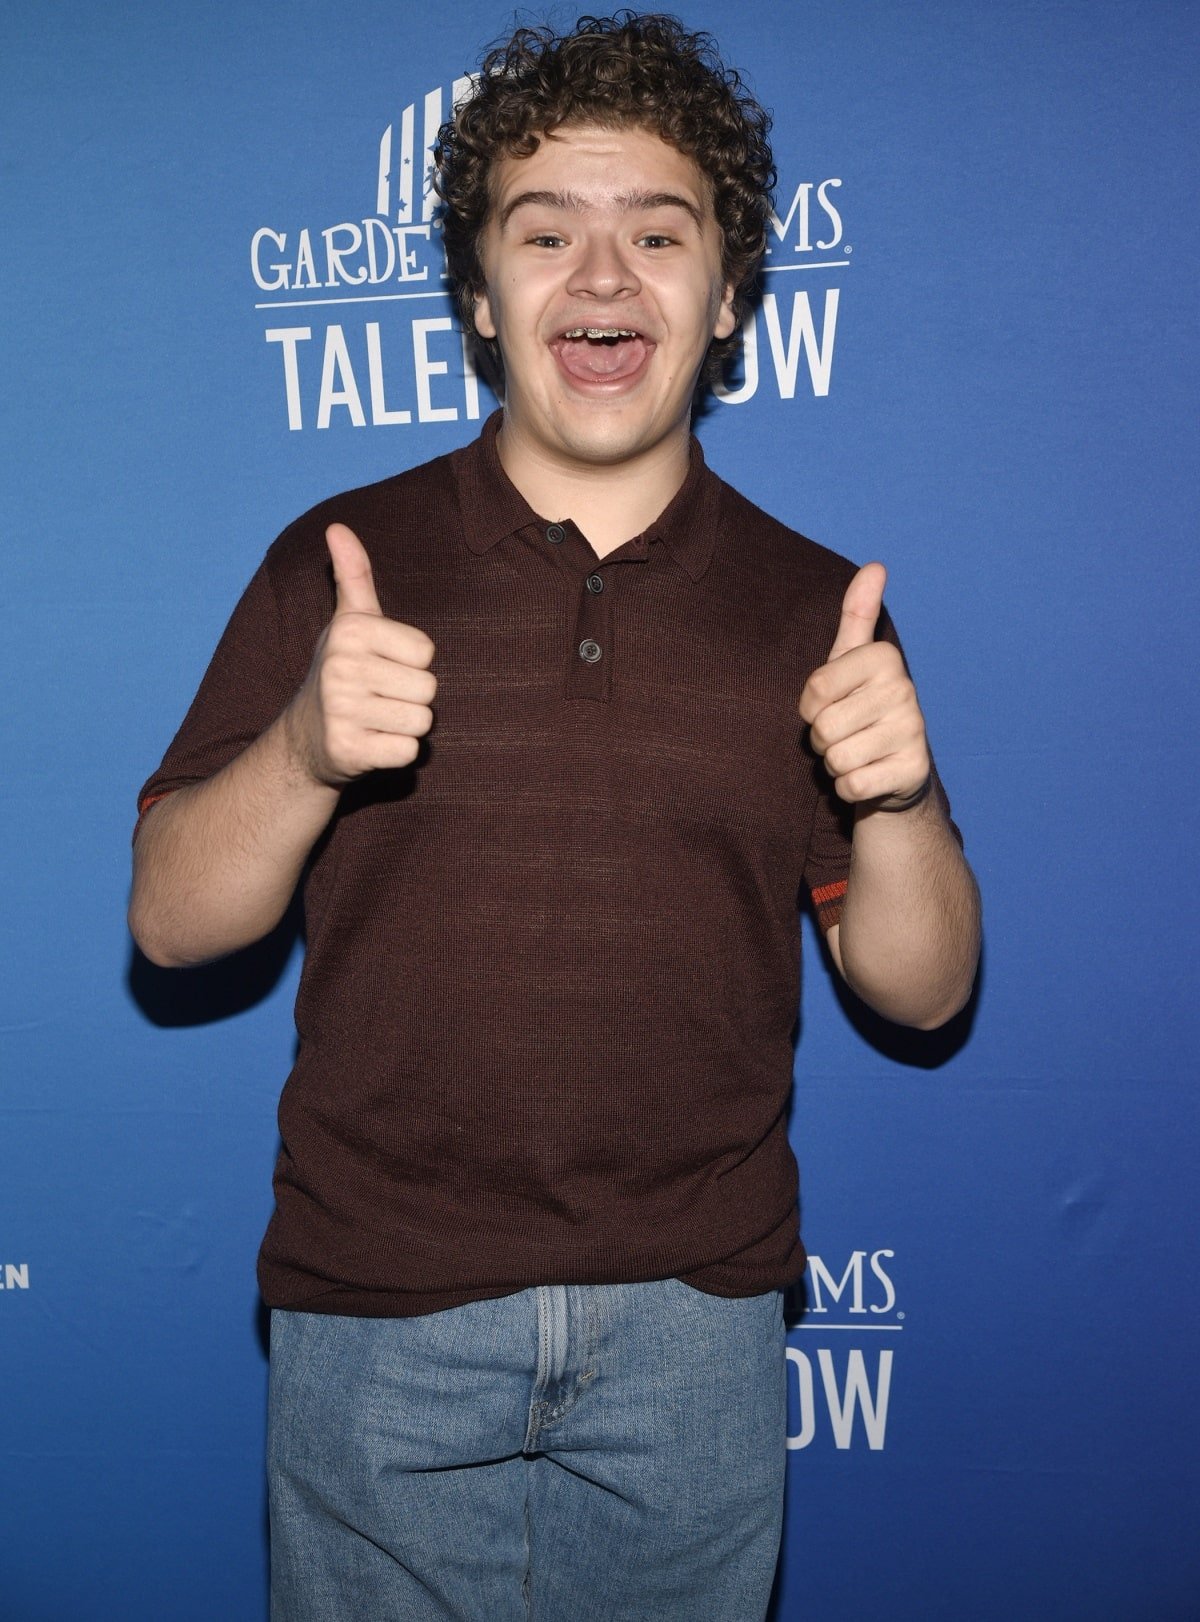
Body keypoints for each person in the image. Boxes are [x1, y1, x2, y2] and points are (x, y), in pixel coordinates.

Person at [129, 12, 980, 1619]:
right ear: (477, 294)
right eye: (547, 233)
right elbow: (171, 924)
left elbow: (924, 986)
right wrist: (308, 748)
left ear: (728, 300)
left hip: (698, 1327)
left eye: (659, 232)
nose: (604, 276)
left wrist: (905, 795)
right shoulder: (339, 557)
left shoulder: (820, 607)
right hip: (376, 1306)